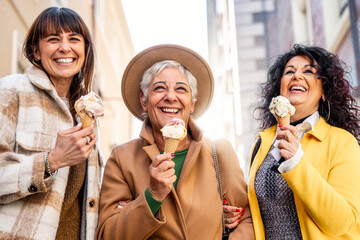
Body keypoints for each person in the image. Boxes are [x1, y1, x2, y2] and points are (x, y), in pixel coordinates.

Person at [96, 44, 255, 239]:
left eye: (181, 89)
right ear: (144, 100)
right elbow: (106, 235)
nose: (171, 97)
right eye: (159, 88)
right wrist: (152, 196)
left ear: (192, 104)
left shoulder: (219, 152)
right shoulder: (122, 158)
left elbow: (246, 221)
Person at [0, 7, 103, 239]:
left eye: (74, 39)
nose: (65, 47)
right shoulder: (10, 91)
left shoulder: (87, 112)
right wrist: (51, 161)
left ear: (85, 51)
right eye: (54, 39)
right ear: (36, 51)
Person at [245, 44, 360, 239]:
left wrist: (296, 162)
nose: (296, 76)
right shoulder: (261, 144)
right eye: (289, 71)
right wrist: (241, 216)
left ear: (325, 92)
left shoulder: (342, 142)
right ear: (279, 90)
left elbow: (343, 222)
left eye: (308, 71)